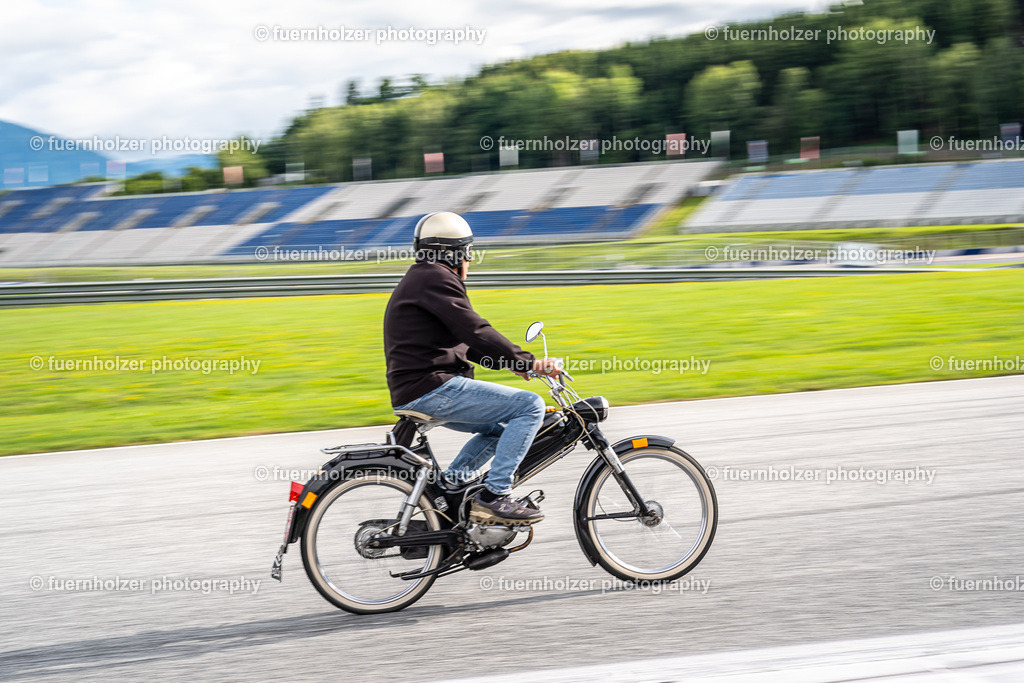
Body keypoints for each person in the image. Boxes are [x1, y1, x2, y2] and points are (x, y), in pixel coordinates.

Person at [383, 212, 562, 525]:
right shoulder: (435, 278)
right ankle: (494, 498)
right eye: (466, 252)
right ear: (453, 253)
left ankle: (449, 493)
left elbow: (464, 346)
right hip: (430, 387)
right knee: (529, 406)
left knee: (500, 430)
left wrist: (512, 364)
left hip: (420, 386)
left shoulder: (424, 278)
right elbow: (475, 330)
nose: (468, 261)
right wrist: (528, 361)